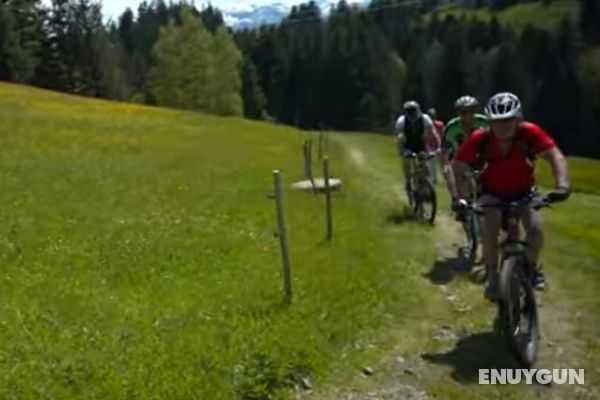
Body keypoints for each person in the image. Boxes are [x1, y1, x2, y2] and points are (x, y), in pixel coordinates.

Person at [446, 92, 570, 300]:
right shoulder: (481, 138)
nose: (502, 127)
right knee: (489, 229)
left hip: (525, 192)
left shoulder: (530, 133)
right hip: (492, 192)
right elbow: (457, 166)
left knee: (535, 230)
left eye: (508, 121)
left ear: (518, 119)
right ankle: (493, 276)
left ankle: (530, 269)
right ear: (489, 122)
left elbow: (554, 156)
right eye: (497, 122)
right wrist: (461, 197)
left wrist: (562, 185)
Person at [441, 96, 487, 204]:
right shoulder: (452, 127)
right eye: (462, 112)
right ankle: (457, 200)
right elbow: (445, 151)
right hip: (461, 160)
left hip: (482, 157)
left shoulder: (484, 122)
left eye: (470, 111)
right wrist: (445, 165)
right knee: (449, 170)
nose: (466, 115)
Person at [395, 101, 439, 197]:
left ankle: (427, 186)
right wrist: (401, 151)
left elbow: (431, 133)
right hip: (407, 144)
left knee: (425, 164)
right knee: (406, 162)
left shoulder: (425, 119)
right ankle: (408, 182)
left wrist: (433, 149)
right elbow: (399, 137)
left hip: (421, 144)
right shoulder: (401, 121)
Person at [426, 108, 444, 184]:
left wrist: (441, 147)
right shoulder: (425, 125)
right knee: (429, 163)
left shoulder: (440, 125)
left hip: (437, 147)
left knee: (434, 163)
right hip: (428, 146)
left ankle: (434, 178)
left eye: (432, 117)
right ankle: (431, 178)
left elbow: (442, 136)